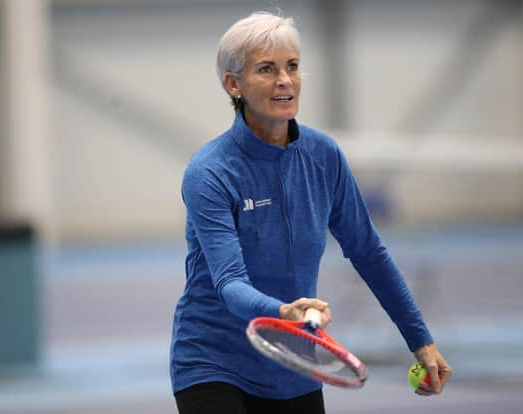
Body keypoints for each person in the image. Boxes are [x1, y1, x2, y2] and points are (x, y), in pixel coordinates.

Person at [170, 11, 452, 414]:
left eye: (293, 66)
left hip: (294, 364)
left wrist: (420, 340)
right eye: (266, 69)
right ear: (234, 85)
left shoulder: (324, 157)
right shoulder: (210, 172)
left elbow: (368, 252)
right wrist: (283, 311)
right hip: (214, 364)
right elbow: (229, 283)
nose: (285, 80)